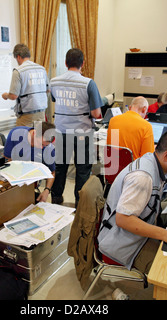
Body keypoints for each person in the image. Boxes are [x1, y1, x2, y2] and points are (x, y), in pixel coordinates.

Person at [97, 130, 167, 272]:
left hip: (138, 235)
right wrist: (166, 234)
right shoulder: (142, 177)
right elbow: (123, 219)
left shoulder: (159, 164)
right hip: (122, 243)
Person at [49, 48, 103, 206]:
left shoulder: (54, 81)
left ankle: (56, 199)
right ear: (83, 64)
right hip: (82, 132)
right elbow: (96, 112)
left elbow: (55, 99)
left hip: (61, 131)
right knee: (82, 170)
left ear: (65, 63)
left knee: (60, 168)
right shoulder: (88, 83)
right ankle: (80, 203)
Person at [4, 122, 56, 202]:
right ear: (35, 133)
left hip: (31, 181)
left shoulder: (49, 149)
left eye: (44, 145)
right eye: (40, 143)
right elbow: (8, 158)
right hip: (15, 177)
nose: (41, 148)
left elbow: (51, 172)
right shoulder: (15, 134)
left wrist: (46, 190)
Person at [2, 44, 49, 127]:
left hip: (26, 116)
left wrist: (5, 95)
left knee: (23, 138)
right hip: (41, 113)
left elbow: (13, 96)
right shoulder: (42, 69)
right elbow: (48, 90)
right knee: (38, 138)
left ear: (18, 57)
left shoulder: (18, 71)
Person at [107, 96, 154, 160]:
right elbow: (147, 157)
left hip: (113, 165)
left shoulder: (113, 120)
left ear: (130, 107)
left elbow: (113, 147)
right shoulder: (146, 126)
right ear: (144, 109)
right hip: (133, 168)